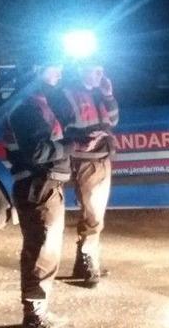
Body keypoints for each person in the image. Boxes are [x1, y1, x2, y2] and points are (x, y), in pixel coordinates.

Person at [5, 63, 95, 328]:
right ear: (34, 71)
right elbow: (38, 151)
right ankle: (34, 321)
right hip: (38, 185)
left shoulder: (39, 104)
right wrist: (74, 146)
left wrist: (72, 141)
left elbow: (50, 140)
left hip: (44, 185)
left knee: (46, 250)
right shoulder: (27, 109)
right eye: (52, 68)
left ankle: (39, 312)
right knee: (41, 251)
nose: (58, 73)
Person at [50, 62, 119, 288]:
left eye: (101, 70)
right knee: (93, 213)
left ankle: (85, 261)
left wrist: (108, 95)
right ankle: (89, 262)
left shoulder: (99, 93)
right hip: (86, 160)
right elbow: (59, 128)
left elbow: (114, 119)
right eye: (95, 70)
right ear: (81, 70)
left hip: (102, 157)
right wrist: (84, 138)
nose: (100, 75)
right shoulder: (66, 94)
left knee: (94, 212)